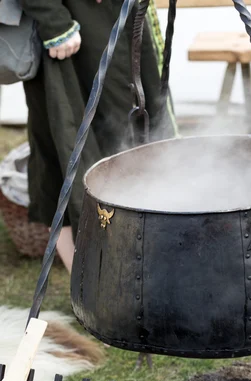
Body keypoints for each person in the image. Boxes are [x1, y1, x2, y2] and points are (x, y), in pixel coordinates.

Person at [21, 0, 177, 272]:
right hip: (75, 30)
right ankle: (91, 285)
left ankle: (145, 276)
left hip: (122, 21)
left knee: (143, 137)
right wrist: (55, 20)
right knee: (73, 149)